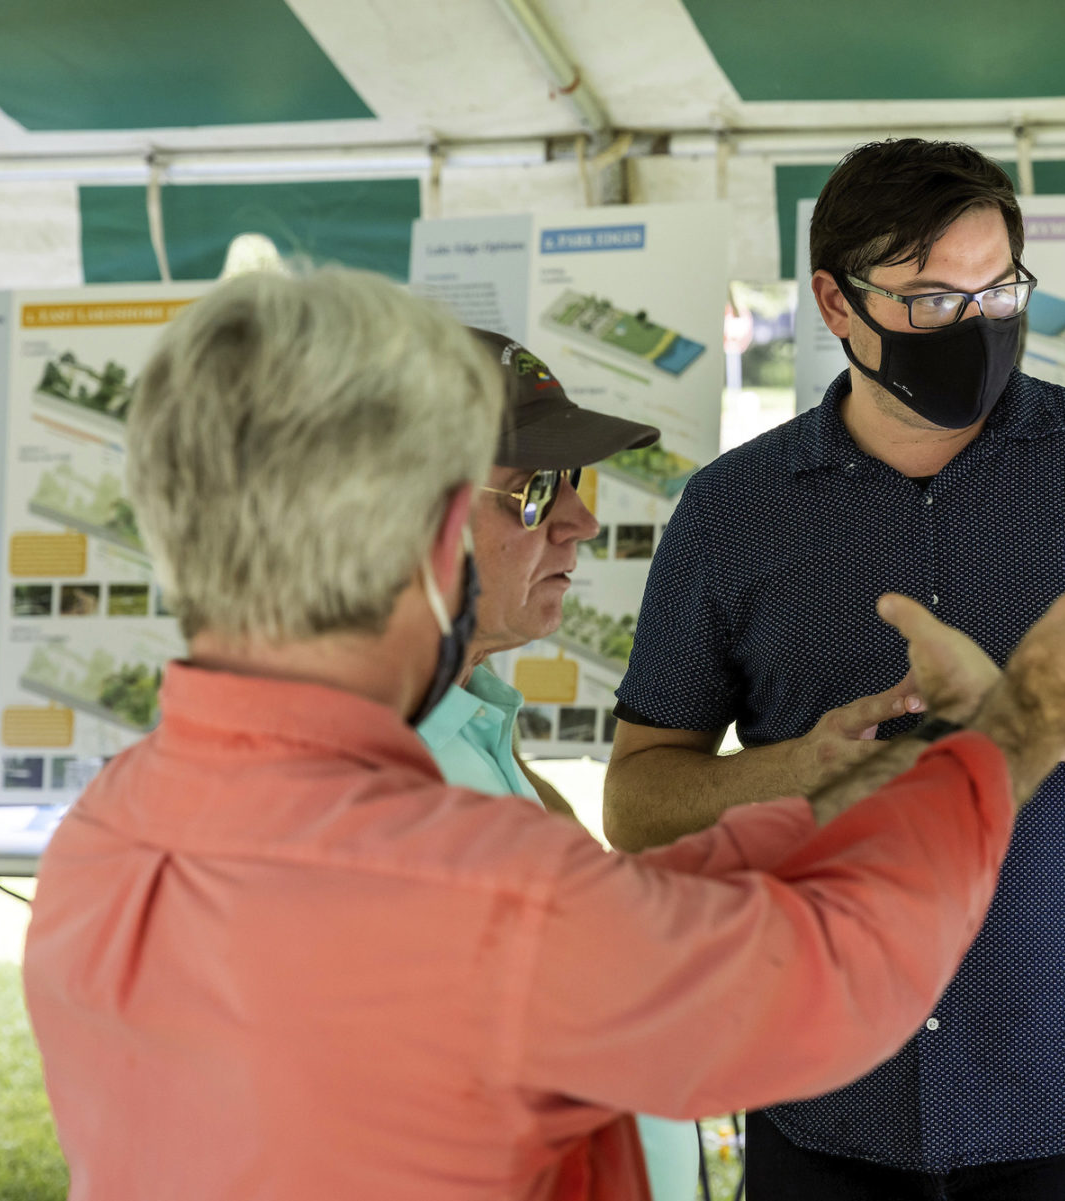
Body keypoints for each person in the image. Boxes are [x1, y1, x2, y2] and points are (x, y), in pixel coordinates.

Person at [19, 265, 1065, 1201]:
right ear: (425, 533)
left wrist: (830, 798)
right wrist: (1027, 724)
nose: (580, 522)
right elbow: (821, 980)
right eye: (525, 494)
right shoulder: (457, 889)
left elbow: (612, 921)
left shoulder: (114, 823)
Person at [604, 139, 1065, 1198]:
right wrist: (798, 769)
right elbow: (636, 799)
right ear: (837, 306)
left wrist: (1050, 715)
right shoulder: (732, 512)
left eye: (1000, 290)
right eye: (932, 301)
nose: (976, 326)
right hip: (826, 1101)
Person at [414, 327, 698, 1199]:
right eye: (537, 490)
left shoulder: (472, 730)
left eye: (575, 484)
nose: (581, 521)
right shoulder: (381, 787)